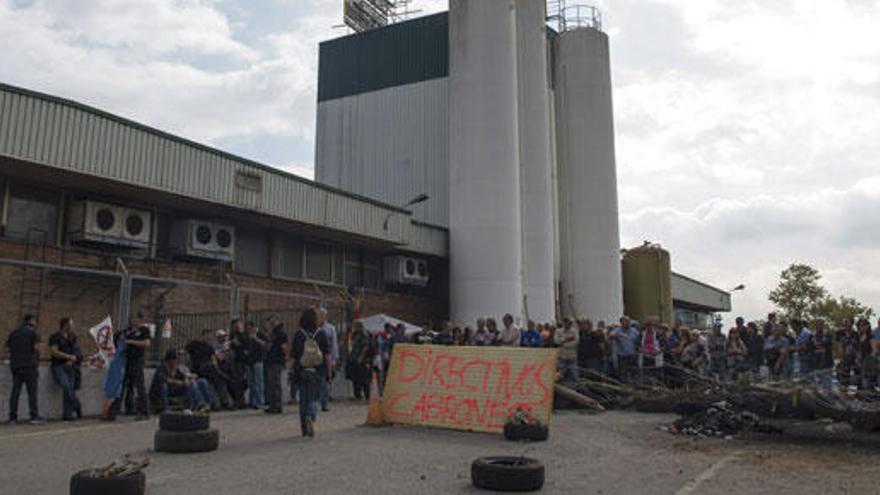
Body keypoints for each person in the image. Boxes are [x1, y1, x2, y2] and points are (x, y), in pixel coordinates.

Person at [290, 307, 331, 437]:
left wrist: (291, 371)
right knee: (315, 398)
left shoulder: (298, 334)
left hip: (302, 371)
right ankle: (311, 416)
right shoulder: (321, 333)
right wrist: (329, 372)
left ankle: (304, 429)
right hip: (317, 371)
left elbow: (294, 356)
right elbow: (327, 355)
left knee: (303, 400)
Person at [6, 314, 44, 424]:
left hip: (15, 365)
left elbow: (8, 347)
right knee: (32, 392)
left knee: (15, 392)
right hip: (30, 365)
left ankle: (12, 417)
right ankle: (34, 416)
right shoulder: (33, 333)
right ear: (31, 321)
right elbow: (37, 348)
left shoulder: (14, 333)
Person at [150, 350, 214, 413]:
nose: (175, 362)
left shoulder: (176, 369)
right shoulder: (162, 368)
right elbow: (164, 379)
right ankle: (165, 409)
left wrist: (185, 380)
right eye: (174, 360)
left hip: (173, 390)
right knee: (164, 386)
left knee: (191, 384)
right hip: (160, 392)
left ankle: (198, 404)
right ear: (169, 360)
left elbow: (183, 376)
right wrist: (178, 382)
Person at [185, 329, 232, 410]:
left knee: (220, 380)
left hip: (210, 370)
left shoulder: (209, 347)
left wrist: (216, 364)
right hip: (199, 368)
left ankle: (225, 402)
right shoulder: (194, 344)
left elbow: (213, 358)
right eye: (207, 335)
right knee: (213, 369)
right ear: (202, 335)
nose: (208, 338)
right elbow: (186, 353)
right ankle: (223, 376)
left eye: (209, 336)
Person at [117, 312, 152, 420]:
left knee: (139, 386)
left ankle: (144, 411)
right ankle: (118, 410)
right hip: (127, 361)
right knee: (124, 386)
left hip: (138, 360)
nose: (134, 321)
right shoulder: (127, 331)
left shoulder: (144, 330)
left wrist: (131, 342)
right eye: (133, 319)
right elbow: (119, 338)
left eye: (136, 319)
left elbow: (146, 343)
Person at [48, 317, 82, 421]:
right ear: (65, 325)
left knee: (69, 389)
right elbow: (54, 351)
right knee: (66, 385)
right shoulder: (55, 337)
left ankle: (67, 414)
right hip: (58, 365)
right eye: (71, 324)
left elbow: (76, 351)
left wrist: (72, 359)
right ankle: (77, 404)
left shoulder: (72, 337)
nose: (72, 326)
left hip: (70, 365)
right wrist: (68, 357)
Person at [264, 316, 288, 414]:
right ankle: (273, 404)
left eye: (272, 321)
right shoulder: (273, 333)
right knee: (271, 384)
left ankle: (277, 406)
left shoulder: (281, 333)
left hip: (277, 361)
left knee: (275, 384)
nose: (271, 323)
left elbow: (284, 347)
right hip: (271, 360)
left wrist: (285, 358)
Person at [317, 308, 338, 412]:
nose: (319, 317)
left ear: (325, 317)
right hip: (315, 357)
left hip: (326, 357)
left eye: (321, 315)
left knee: (325, 380)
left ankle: (324, 402)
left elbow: (334, 344)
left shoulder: (330, 329)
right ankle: (317, 401)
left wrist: (334, 359)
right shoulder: (314, 327)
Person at [243, 321, 266, 409]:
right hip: (249, 362)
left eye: (249, 328)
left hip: (258, 360)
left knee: (259, 382)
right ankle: (253, 402)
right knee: (251, 383)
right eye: (247, 329)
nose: (248, 330)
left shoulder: (259, 334)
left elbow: (265, 344)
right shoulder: (246, 337)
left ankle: (260, 401)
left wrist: (255, 338)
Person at [348, 321, 372, 400]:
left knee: (363, 378)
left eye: (355, 326)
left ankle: (367, 395)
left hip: (361, 361)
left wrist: (361, 358)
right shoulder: (355, 334)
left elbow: (365, 348)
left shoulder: (364, 335)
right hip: (354, 359)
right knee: (355, 379)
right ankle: (357, 395)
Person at [553, 317, 579, 382]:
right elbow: (556, 341)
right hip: (562, 355)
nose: (567, 324)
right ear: (563, 323)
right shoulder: (558, 331)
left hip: (572, 356)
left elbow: (575, 342)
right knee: (560, 372)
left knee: (574, 372)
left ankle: (576, 384)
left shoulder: (575, 331)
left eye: (569, 322)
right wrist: (566, 339)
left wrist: (563, 344)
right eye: (565, 322)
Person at [836, 318, 859, 388]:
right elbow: (838, 344)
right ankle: (844, 388)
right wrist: (842, 356)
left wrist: (858, 357)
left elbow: (858, 346)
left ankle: (859, 390)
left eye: (847, 322)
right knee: (844, 373)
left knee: (858, 372)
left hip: (854, 357)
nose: (846, 324)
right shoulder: (839, 333)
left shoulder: (855, 333)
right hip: (844, 356)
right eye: (845, 323)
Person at [812, 319, 834, 389]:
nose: (818, 326)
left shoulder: (827, 334)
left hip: (826, 364)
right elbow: (810, 346)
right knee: (818, 386)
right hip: (816, 364)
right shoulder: (813, 335)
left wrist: (820, 343)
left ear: (823, 325)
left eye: (820, 325)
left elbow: (829, 344)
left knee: (827, 385)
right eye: (817, 325)